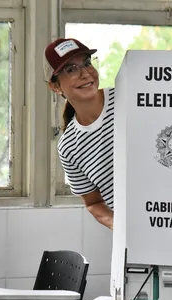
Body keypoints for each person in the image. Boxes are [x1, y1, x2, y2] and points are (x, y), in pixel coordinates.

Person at [44, 38, 115, 230]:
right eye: (71, 69)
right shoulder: (68, 147)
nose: (85, 73)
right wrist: (122, 228)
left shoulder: (129, 98)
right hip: (138, 244)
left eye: (87, 63)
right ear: (55, 87)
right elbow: (94, 204)